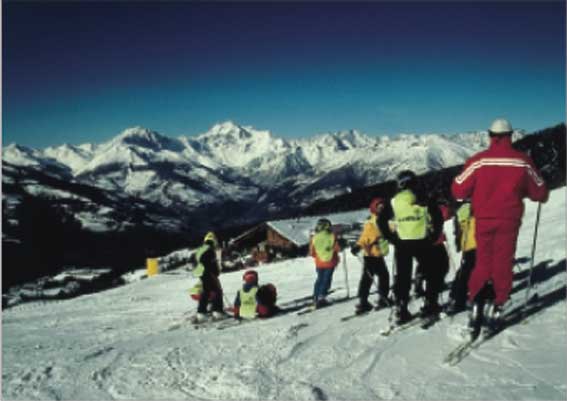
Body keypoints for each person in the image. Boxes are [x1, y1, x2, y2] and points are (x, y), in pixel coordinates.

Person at [451, 118, 549, 327]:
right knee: (503, 260)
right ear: (510, 136)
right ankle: (498, 301)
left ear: (490, 136)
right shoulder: (522, 161)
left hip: (483, 218)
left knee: (483, 260)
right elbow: (539, 190)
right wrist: (537, 194)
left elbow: (458, 188)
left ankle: (476, 298)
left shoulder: (479, 160)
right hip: (509, 219)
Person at [378, 170, 443, 324]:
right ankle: (430, 304)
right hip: (423, 241)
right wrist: (433, 236)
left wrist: (392, 238)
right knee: (432, 272)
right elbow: (437, 217)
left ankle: (401, 309)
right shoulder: (424, 198)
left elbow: (381, 221)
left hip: (403, 243)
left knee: (403, 277)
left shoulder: (393, 201)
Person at [350, 197, 392, 314]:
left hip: (376, 254)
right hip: (372, 254)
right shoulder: (372, 222)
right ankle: (380, 299)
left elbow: (392, 228)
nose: (381, 209)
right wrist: (358, 246)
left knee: (369, 278)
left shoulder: (381, 219)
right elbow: (365, 237)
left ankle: (363, 301)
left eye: (383, 207)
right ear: (374, 208)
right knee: (381, 276)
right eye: (379, 207)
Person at [445, 201, 477, 315]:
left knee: (466, 270)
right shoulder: (480, 204)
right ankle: (459, 298)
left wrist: (459, 243)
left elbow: (457, 230)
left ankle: (456, 297)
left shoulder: (461, 208)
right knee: (470, 270)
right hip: (478, 242)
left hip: (468, 243)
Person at [188, 231, 225, 323]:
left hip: (201, 273)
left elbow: (195, 261)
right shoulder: (209, 250)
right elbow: (211, 263)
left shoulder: (201, 249)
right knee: (217, 291)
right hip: (207, 272)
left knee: (207, 291)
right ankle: (217, 311)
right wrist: (215, 272)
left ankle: (202, 313)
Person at [309, 218, 341, 308]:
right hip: (330, 261)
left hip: (319, 263)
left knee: (319, 279)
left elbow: (312, 252)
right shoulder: (332, 236)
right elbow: (337, 248)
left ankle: (316, 296)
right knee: (327, 280)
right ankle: (321, 297)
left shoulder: (314, 238)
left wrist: (319, 256)